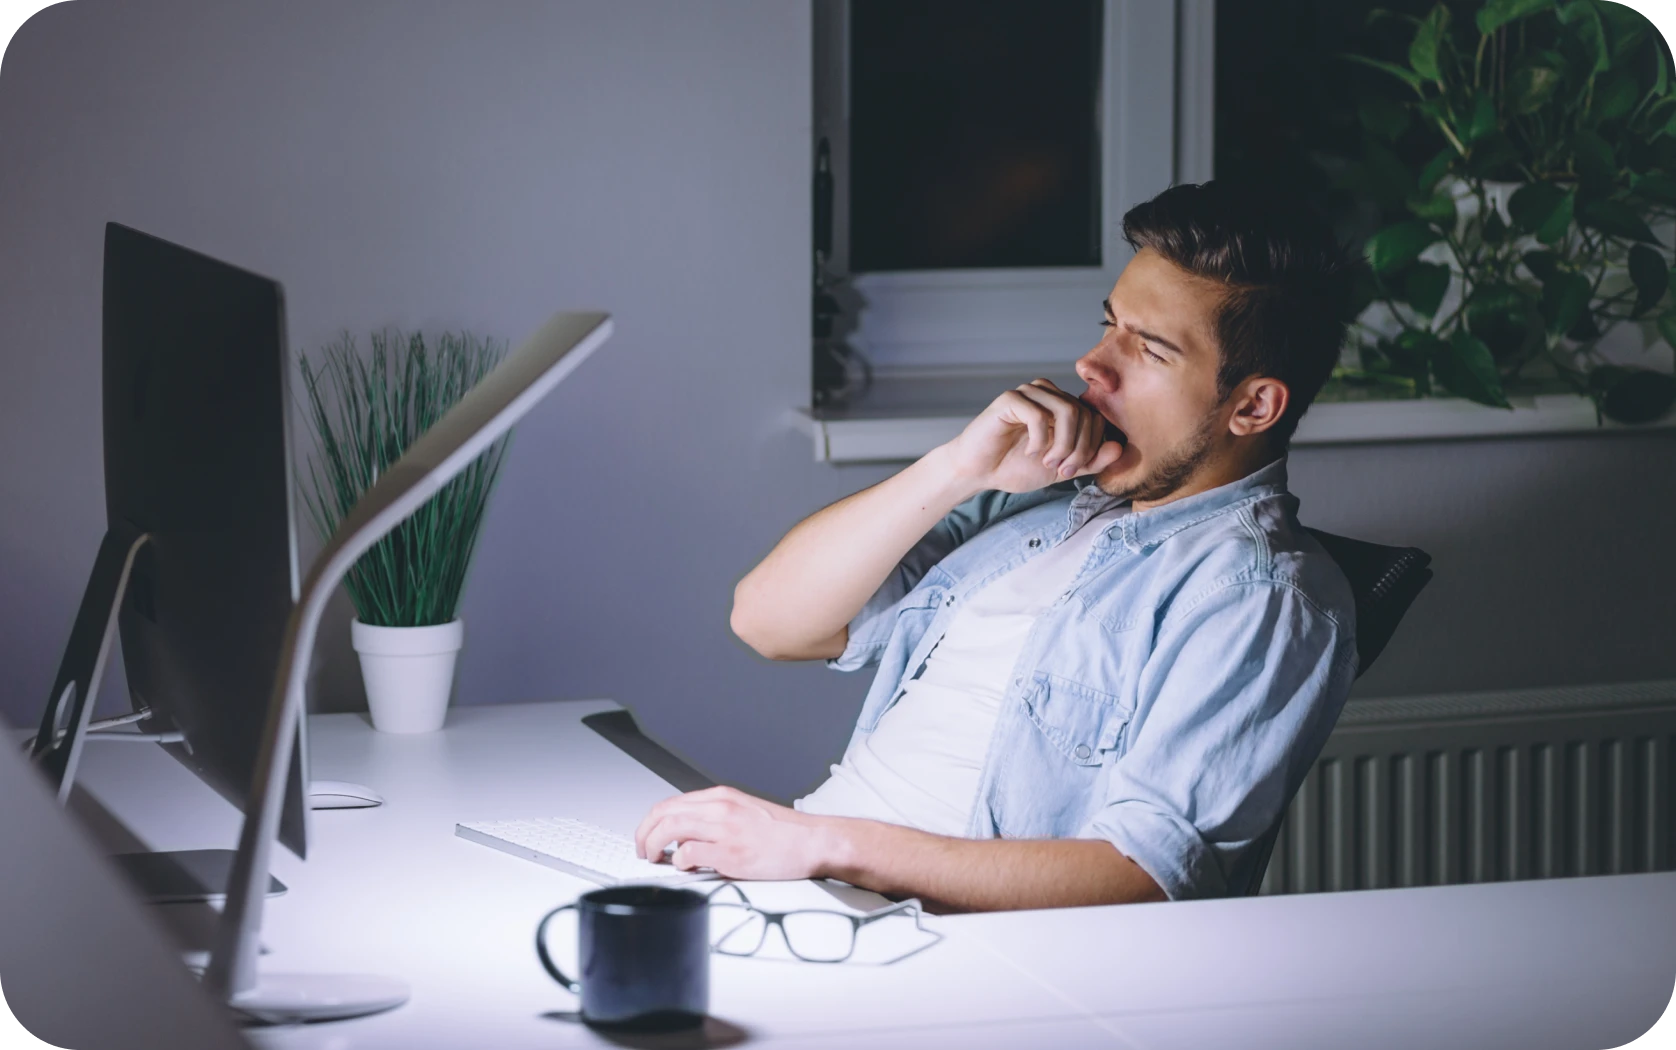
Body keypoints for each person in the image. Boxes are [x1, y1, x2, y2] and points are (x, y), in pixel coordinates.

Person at [635, 181, 1363, 910]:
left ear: (1254, 405)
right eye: (1109, 324)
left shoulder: (1259, 594)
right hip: (809, 886)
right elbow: (766, 623)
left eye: (1148, 351)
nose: (1092, 365)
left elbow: (1143, 875)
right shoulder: (1043, 502)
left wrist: (823, 842)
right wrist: (956, 467)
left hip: (929, 938)